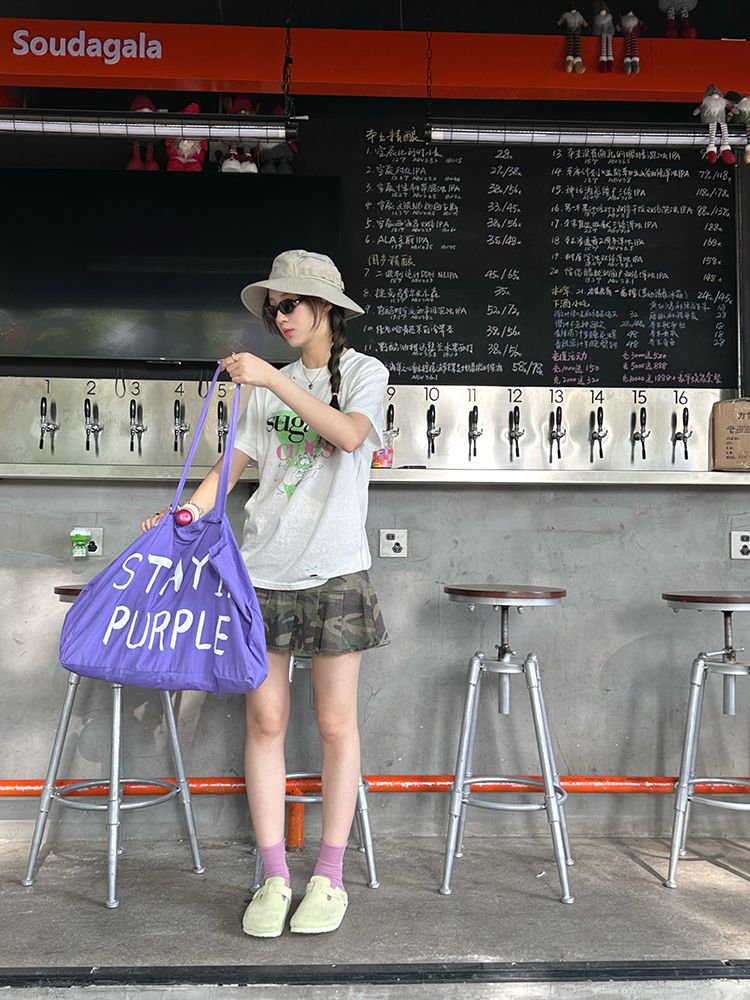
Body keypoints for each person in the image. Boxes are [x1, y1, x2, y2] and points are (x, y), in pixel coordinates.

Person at [142, 249, 389, 937]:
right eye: (274, 307)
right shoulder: (263, 386)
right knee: (266, 723)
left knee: (336, 726)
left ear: (325, 308)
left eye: (291, 304)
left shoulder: (363, 373)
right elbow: (231, 469)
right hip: (262, 573)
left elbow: (348, 436)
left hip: (335, 571)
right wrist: (183, 514)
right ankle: (275, 875)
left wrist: (274, 382)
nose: (279, 316)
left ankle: (329, 878)